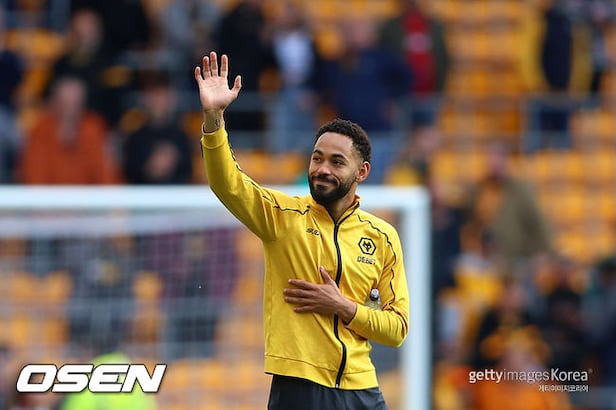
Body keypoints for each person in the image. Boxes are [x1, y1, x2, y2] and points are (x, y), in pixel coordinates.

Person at [195, 52, 409, 409]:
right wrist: (214, 119)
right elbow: (226, 184)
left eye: (337, 162)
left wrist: (343, 307)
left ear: (362, 172)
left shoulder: (382, 236)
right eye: (317, 158)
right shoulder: (283, 217)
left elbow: (397, 329)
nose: (322, 169)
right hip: (300, 387)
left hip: (363, 389)